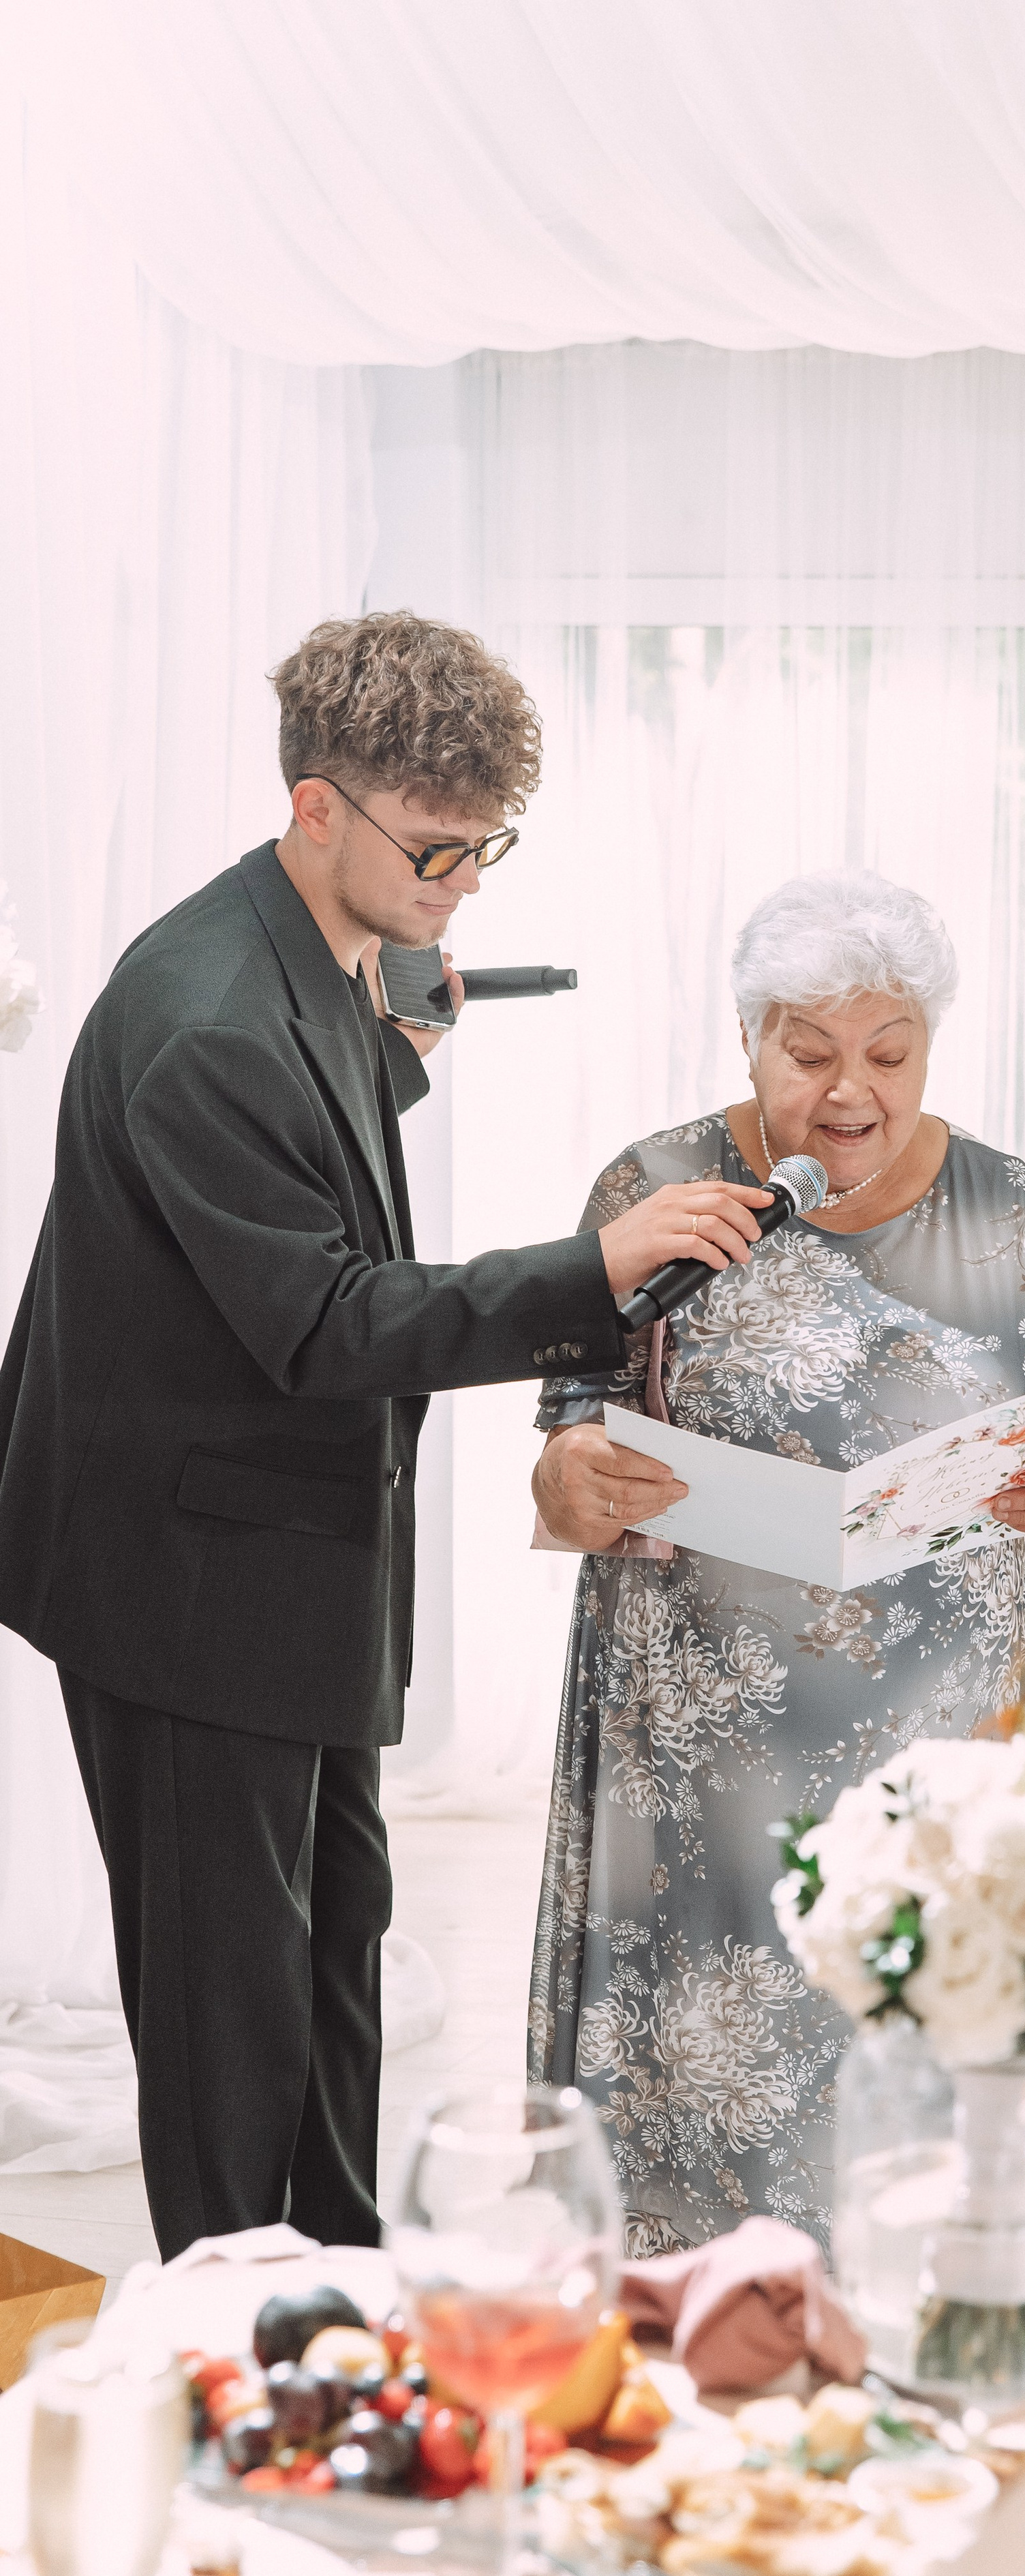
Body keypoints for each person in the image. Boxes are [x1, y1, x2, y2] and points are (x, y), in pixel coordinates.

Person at [0, 610, 782, 2262]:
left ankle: (343, 2292)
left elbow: (305, 1147)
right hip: (186, 1583)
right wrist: (600, 1272)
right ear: (314, 810)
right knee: (229, 2024)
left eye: (488, 846)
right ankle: (238, 2343)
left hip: (284, 1570)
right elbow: (325, 1322)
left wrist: (385, 1061)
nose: (466, 886)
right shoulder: (207, 1017)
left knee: (333, 1953)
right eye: (437, 848)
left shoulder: (313, 957)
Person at [527, 873, 1025, 2252]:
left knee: (919, 2136)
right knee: (689, 2147)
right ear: (748, 1043)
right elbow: (561, 1455)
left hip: (938, 1758)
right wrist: (577, 1479)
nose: (849, 1091)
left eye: (888, 1053)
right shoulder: (649, 1186)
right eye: (809, 1053)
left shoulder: (1008, 1206)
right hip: (696, 1771)